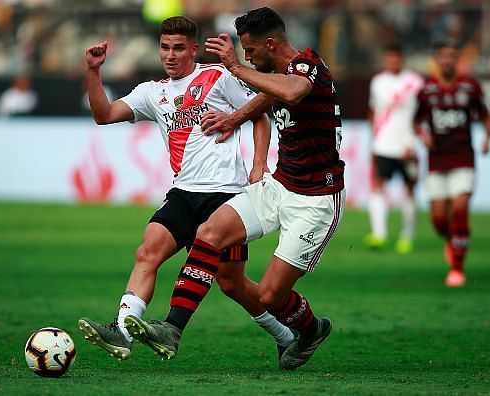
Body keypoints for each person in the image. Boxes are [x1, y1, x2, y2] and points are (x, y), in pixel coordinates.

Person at [124, 7, 345, 371]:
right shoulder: (276, 73)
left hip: (316, 199)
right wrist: (233, 117)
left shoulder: (308, 66)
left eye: (251, 50)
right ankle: (172, 329)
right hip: (279, 185)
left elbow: (291, 93)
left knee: (272, 295)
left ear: (271, 44)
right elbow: (265, 99)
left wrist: (234, 68)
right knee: (209, 233)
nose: (248, 58)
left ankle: (311, 330)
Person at [78, 16, 294, 363]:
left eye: (179, 48)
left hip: (226, 195)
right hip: (183, 192)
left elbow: (260, 114)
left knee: (233, 284)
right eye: (165, 48)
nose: (171, 55)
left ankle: (286, 335)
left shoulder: (218, 77)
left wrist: (258, 165)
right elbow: (104, 114)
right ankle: (122, 331)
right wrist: (93, 71)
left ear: (194, 49)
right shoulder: (153, 92)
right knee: (147, 251)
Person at [414, 38, 490, 287]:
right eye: (443, 56)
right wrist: (423, 134)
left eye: (451, 56)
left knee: (459, 211)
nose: (447, 60)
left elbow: (486, 116)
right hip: (437, 160)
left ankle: (457, 268)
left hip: (463, 158)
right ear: (437, 61)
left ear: (456, 60)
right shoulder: (427, 91)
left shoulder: (470, 88)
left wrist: (487, 138)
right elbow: (417, 121)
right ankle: (454, 241)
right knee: (439, 221)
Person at [363, 43, 424, 254]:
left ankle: (407, 235)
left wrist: (413, 142)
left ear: (402, 59)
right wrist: (373, 141)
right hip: (383, 144)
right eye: (389, 58)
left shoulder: (415, 82)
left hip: (407, 146)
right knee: (378, 185)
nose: (393, 62)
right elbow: (374, 112)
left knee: (409, 189)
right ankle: (379, 234)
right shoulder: (378, 82)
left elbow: (420, 116)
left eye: (396, 58)